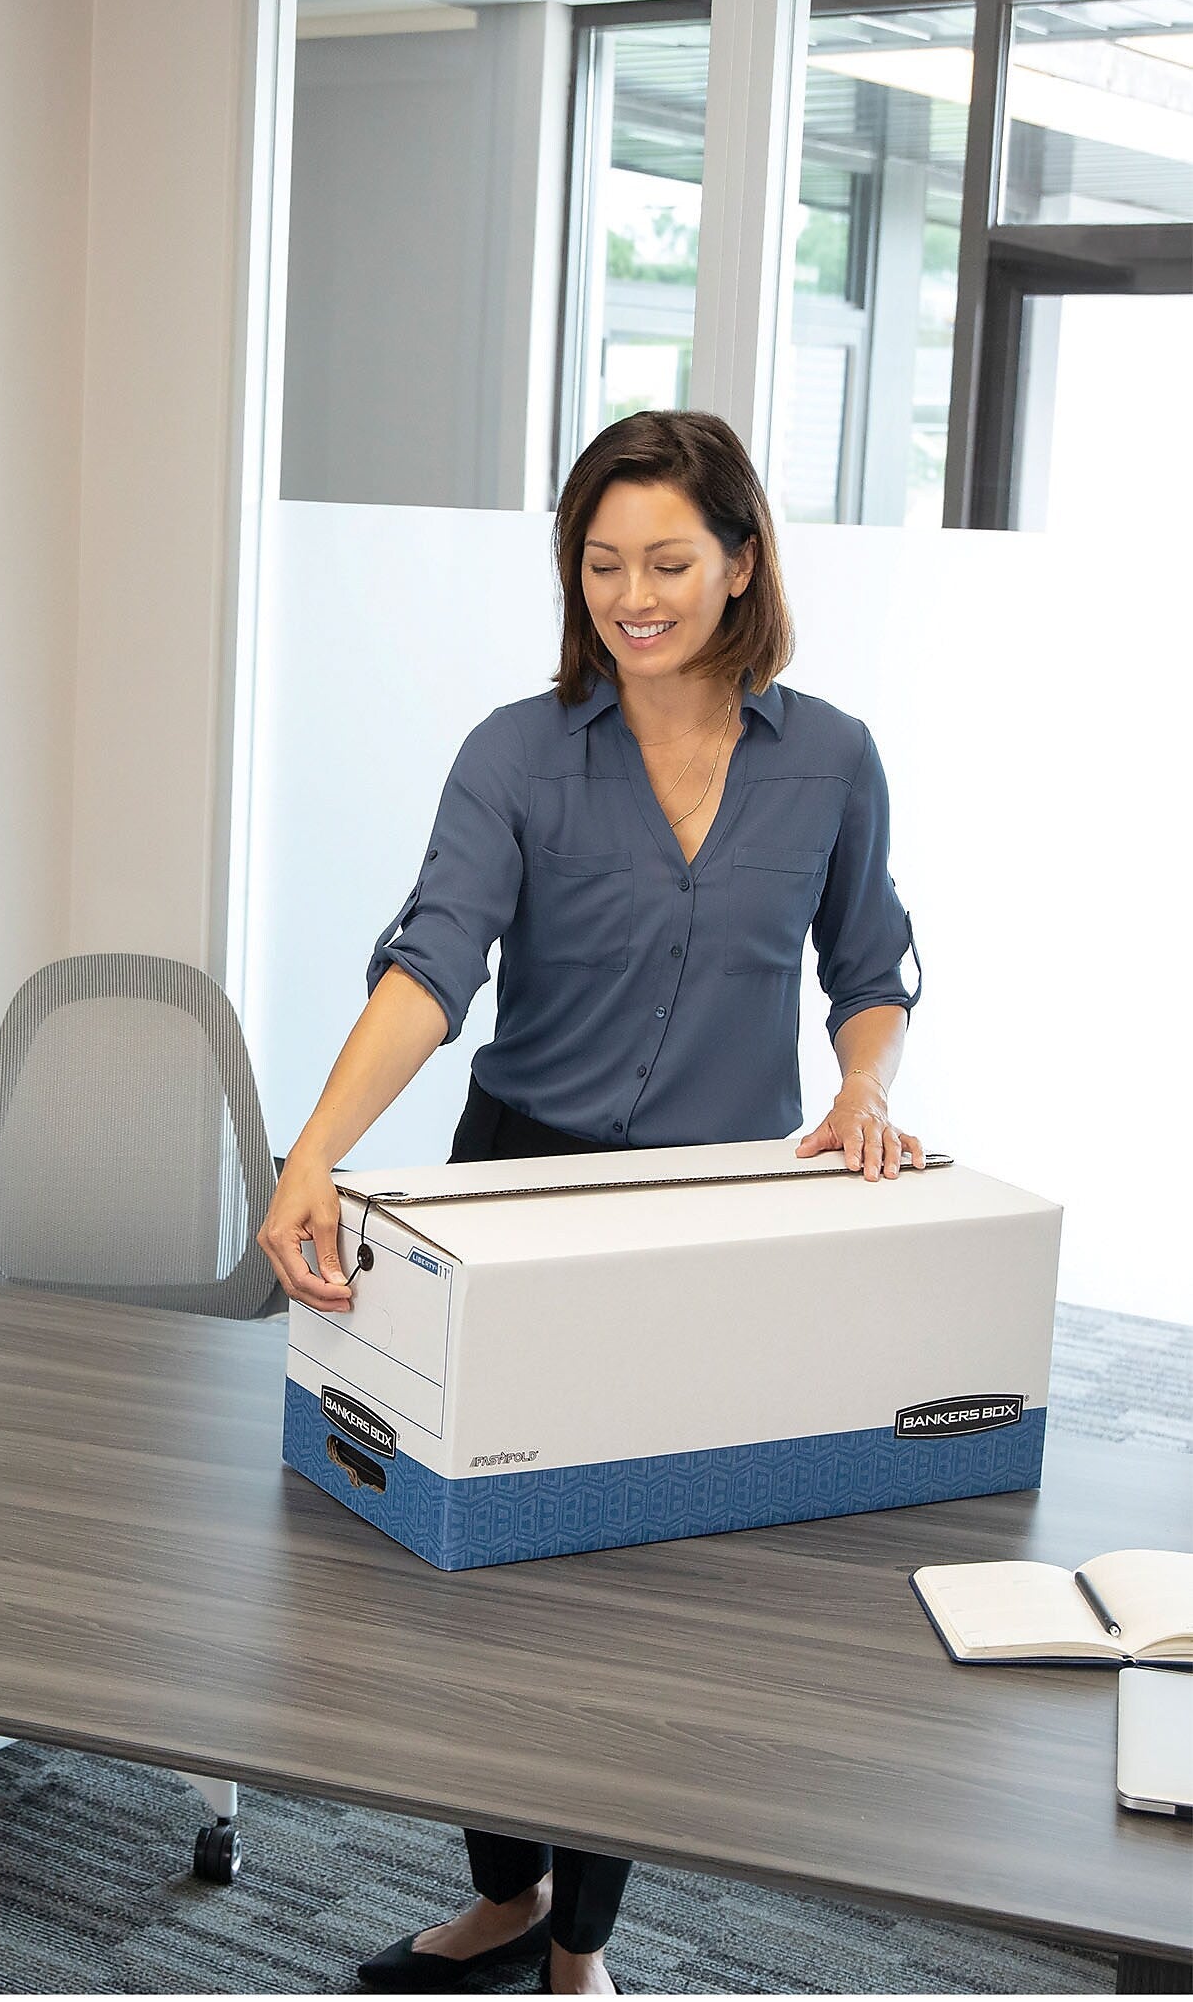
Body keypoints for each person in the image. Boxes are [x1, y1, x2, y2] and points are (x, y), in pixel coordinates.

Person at [256, 409, 924, 1997]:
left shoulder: (828, 756)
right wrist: (313, 1152)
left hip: (702, 1213)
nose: (636, 592)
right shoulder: (516, 752)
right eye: (605, 560)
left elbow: (872, 959)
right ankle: (502, 1890)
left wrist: (864, 1089)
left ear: (741, 561)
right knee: (479, 1564)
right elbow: (432, 968)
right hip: (516, 1187)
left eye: (670, 559)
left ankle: (582, 1943)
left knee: (634, 1592)